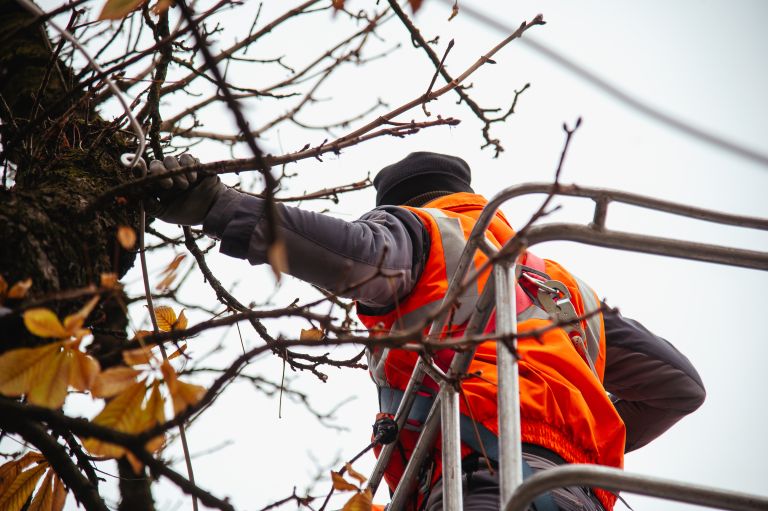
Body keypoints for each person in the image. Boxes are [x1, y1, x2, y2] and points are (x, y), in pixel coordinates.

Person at [140, 152, 706, 510]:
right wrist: (574, 433)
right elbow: (679, 387)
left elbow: (354, 256)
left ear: (398, 206)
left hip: (484, 481)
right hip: (573, 492)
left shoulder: (426, 233)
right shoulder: (559, 283)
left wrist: (215, 205)